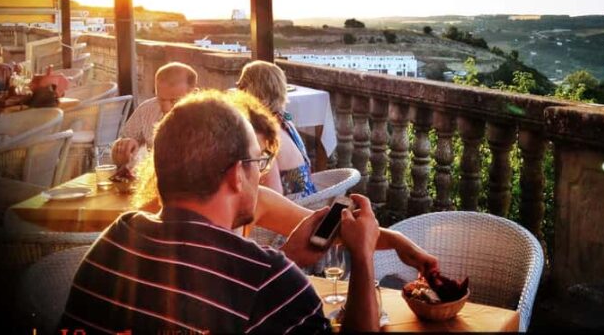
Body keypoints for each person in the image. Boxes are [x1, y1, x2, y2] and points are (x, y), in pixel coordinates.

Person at [61, 90, 382, 333]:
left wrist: (287, 258)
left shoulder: (116, 239)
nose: (260, 175)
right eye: (258, 162)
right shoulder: (271, 281)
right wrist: (363, 258)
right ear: (235, 175)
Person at [131, 89, 439, 274]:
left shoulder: (257, 201)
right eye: (255, 160)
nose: (260, 171)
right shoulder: (153, 223)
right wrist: (284, 263)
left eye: (263, 158)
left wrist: (397, 241)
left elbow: (329, 230)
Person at [237, 60, 316, 197]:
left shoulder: (262, 135)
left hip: (293, 206)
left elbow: (273, 193)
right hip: (309, 199)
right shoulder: (284, 121)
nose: (237, 90)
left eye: (240, 85)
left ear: (248, 90)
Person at [110, 61, 197, 167]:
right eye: (161, 99)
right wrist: (123, 148)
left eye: (174, 100)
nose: (166, 108)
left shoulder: (205, 120)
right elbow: (123, 141)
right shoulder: (147, 109)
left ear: (194, 94)